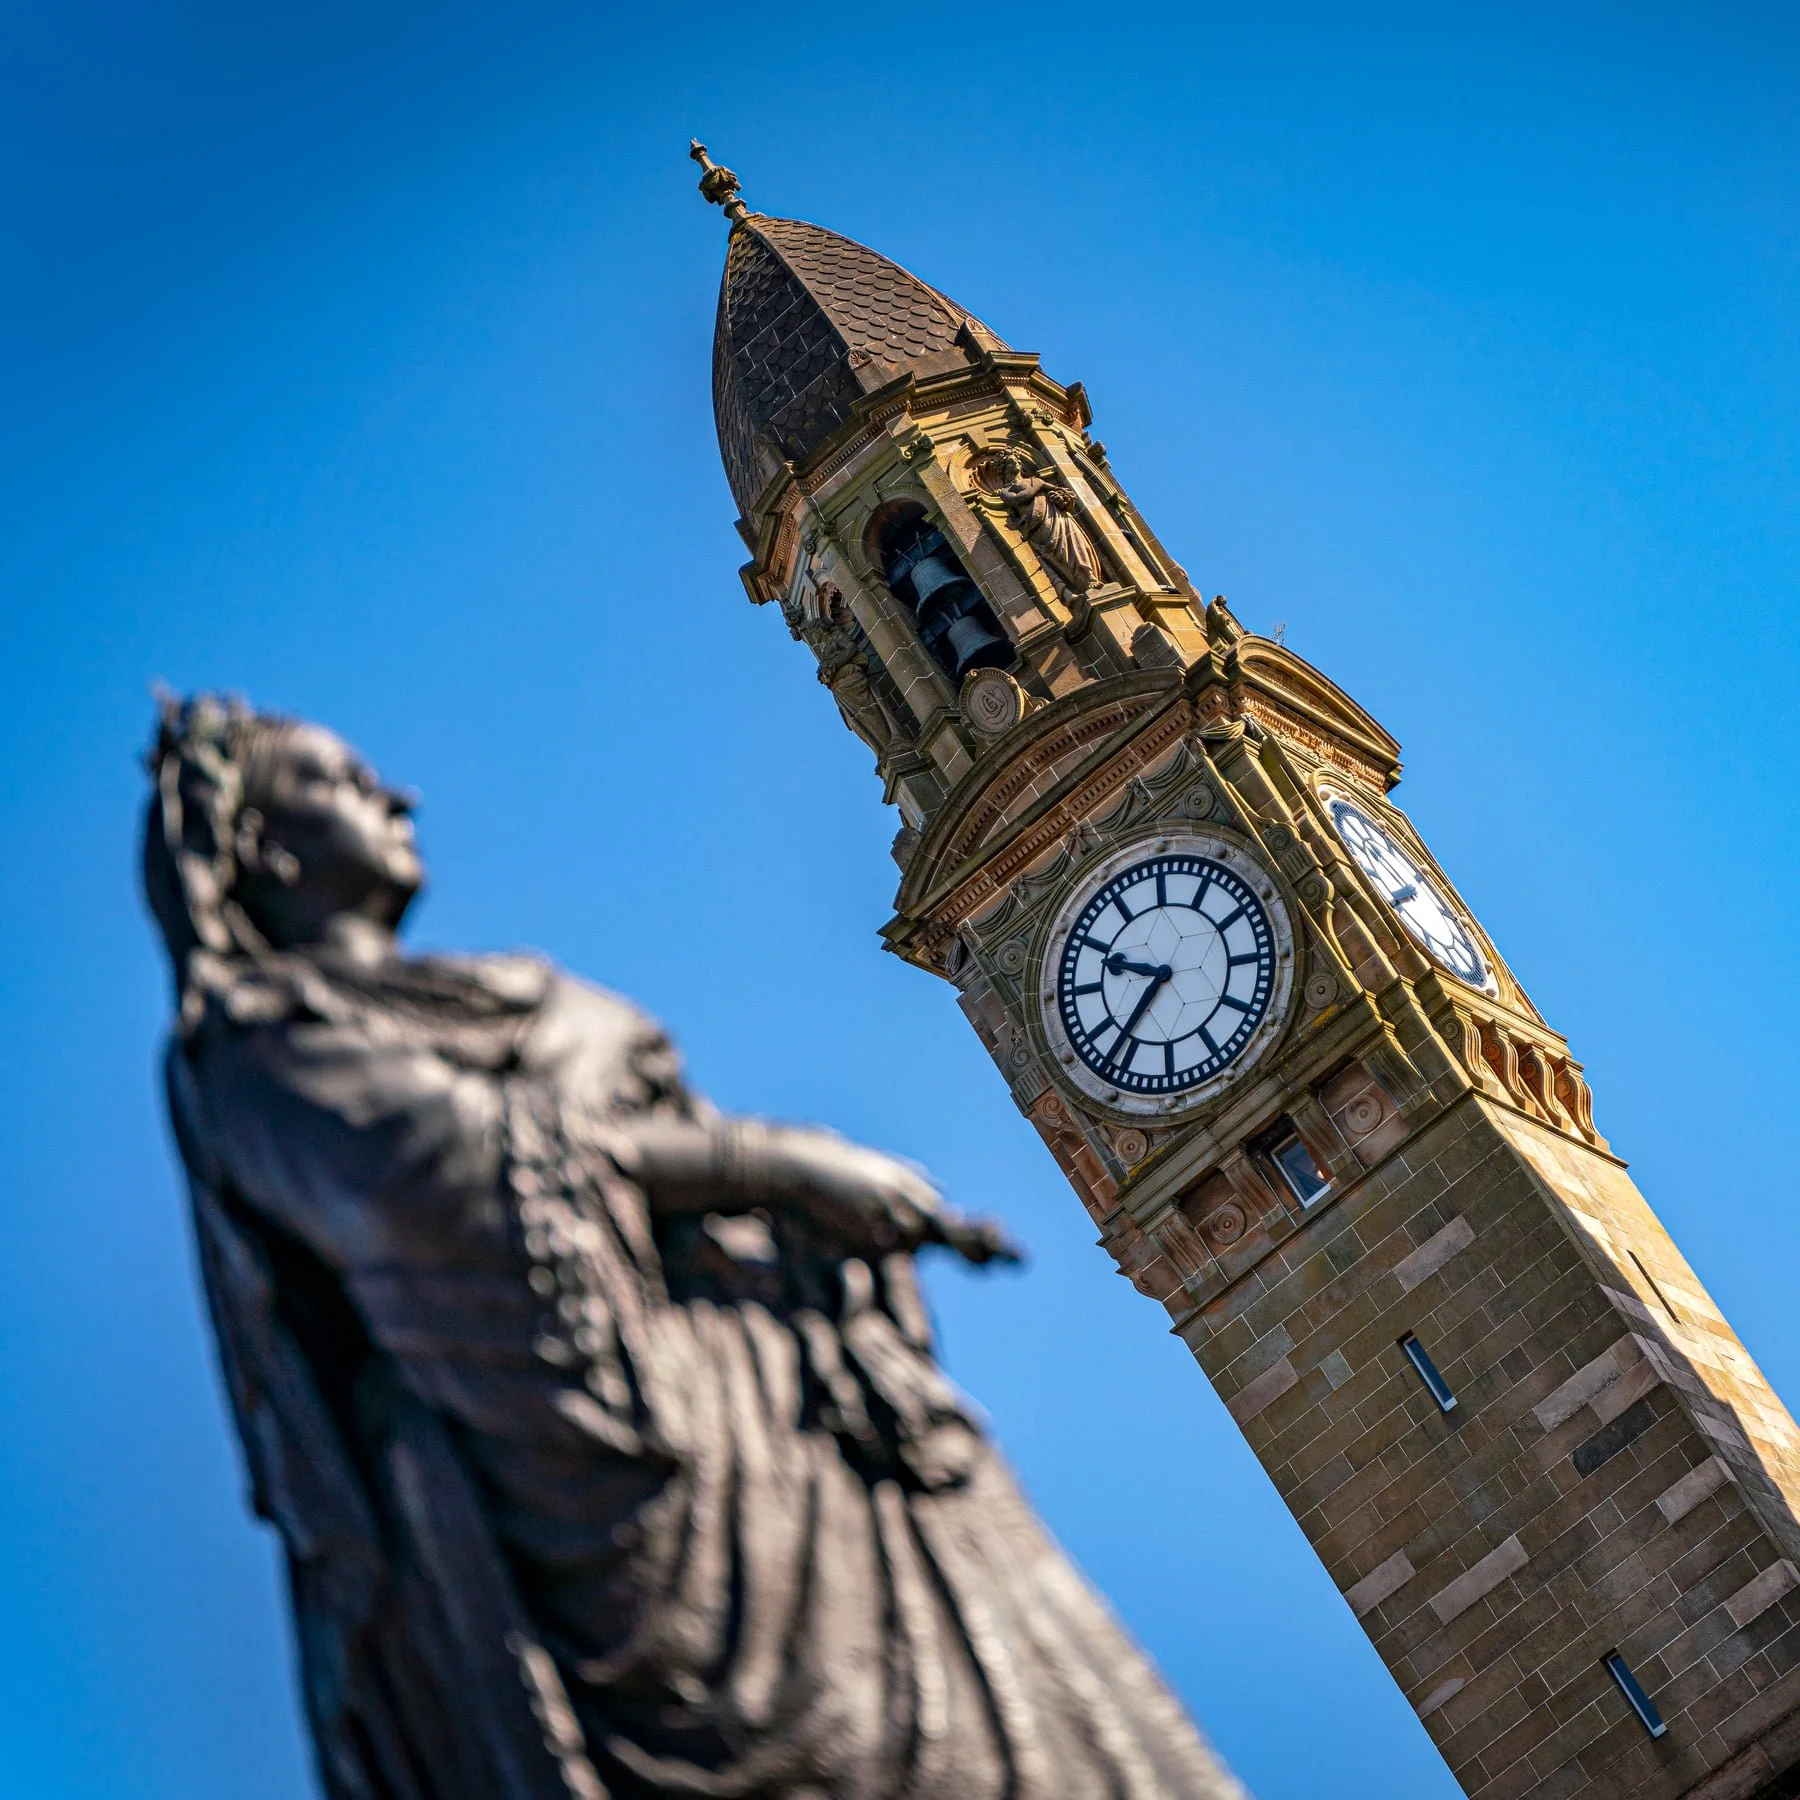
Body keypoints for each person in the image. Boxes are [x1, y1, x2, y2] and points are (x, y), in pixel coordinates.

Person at [144, 694, 1248, 1800]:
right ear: (260, 850)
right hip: (646, 1522)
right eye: (339, 782)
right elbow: (449, 1185)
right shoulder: (255, 1052)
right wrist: (774, 1166)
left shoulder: (513, 988)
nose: (398, 796)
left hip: (805, 1439)